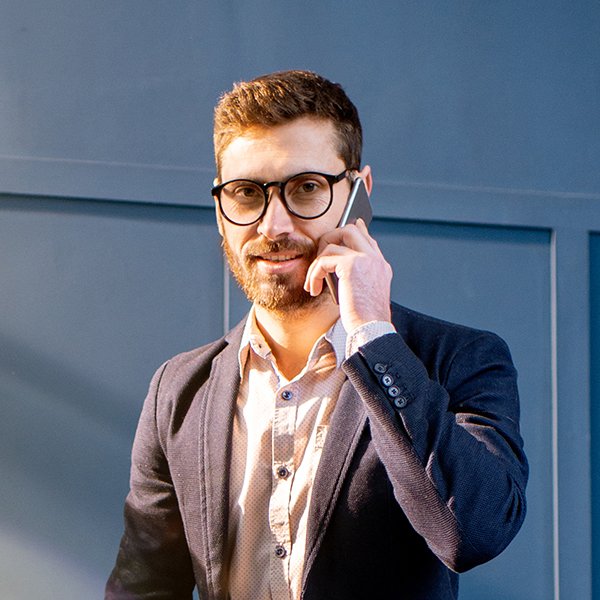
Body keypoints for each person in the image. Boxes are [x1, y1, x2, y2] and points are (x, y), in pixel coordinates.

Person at [106, 70, 528, 600]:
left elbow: (473, 533)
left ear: (359, 195)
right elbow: (143, 586)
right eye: (245, 193)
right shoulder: (178, 389)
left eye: (306, 188)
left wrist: (373, 336)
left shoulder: (459, 359)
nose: (273, 226)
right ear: (219, 210)